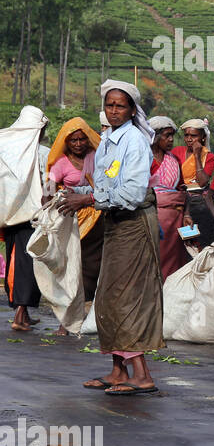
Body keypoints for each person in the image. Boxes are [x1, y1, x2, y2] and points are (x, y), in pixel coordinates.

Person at [59, 82, 163, 395]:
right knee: (107, 296)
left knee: (127, 298)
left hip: (134, 224)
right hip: (116, 224)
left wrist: (88, 201)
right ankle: (118, 370)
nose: (113, 111)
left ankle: (142, 374)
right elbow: (103, 185)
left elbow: (131, 193)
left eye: (120, 106)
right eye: (109, 105)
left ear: (132, 110)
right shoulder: (106, 140)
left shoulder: (134, 141)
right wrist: (74, 193)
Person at [46, 117, 104, 327]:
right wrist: (53, 198)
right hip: (72, 220)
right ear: (66, 142)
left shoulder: (98, 158)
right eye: (73, 140)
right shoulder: (61, 163)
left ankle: (85, 313)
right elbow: (48, 190)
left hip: (97, 218)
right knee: (72, 266)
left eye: (82, 139)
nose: (78, 144)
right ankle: (67, 318)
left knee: (92, 266)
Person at [1, 107, 49, 332]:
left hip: (10, 216)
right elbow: (48, 185)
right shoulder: (43, 153)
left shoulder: (5, 148)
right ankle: (20, 314)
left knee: (15, 262)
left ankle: (23, 313)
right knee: (28, 265)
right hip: (32, 217)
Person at [147, 116, 188, 279]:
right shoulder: (144, 158)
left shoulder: (174, 160)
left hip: (174, 220)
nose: (171, 140)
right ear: (155, 137)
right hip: (151, 216)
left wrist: (187, 214)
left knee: (173, 263)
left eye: (172, 135)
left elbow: (182, 190)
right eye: (167, 135)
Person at [172, 119, 214, 248]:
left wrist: (197, 156)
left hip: (198, 204)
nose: (189, 139)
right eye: (186, 135)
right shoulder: (177, 152)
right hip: (179, 201)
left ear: (203, 137)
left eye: (194, 136)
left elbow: (203, 181)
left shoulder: (208, 157)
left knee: (199, 242)